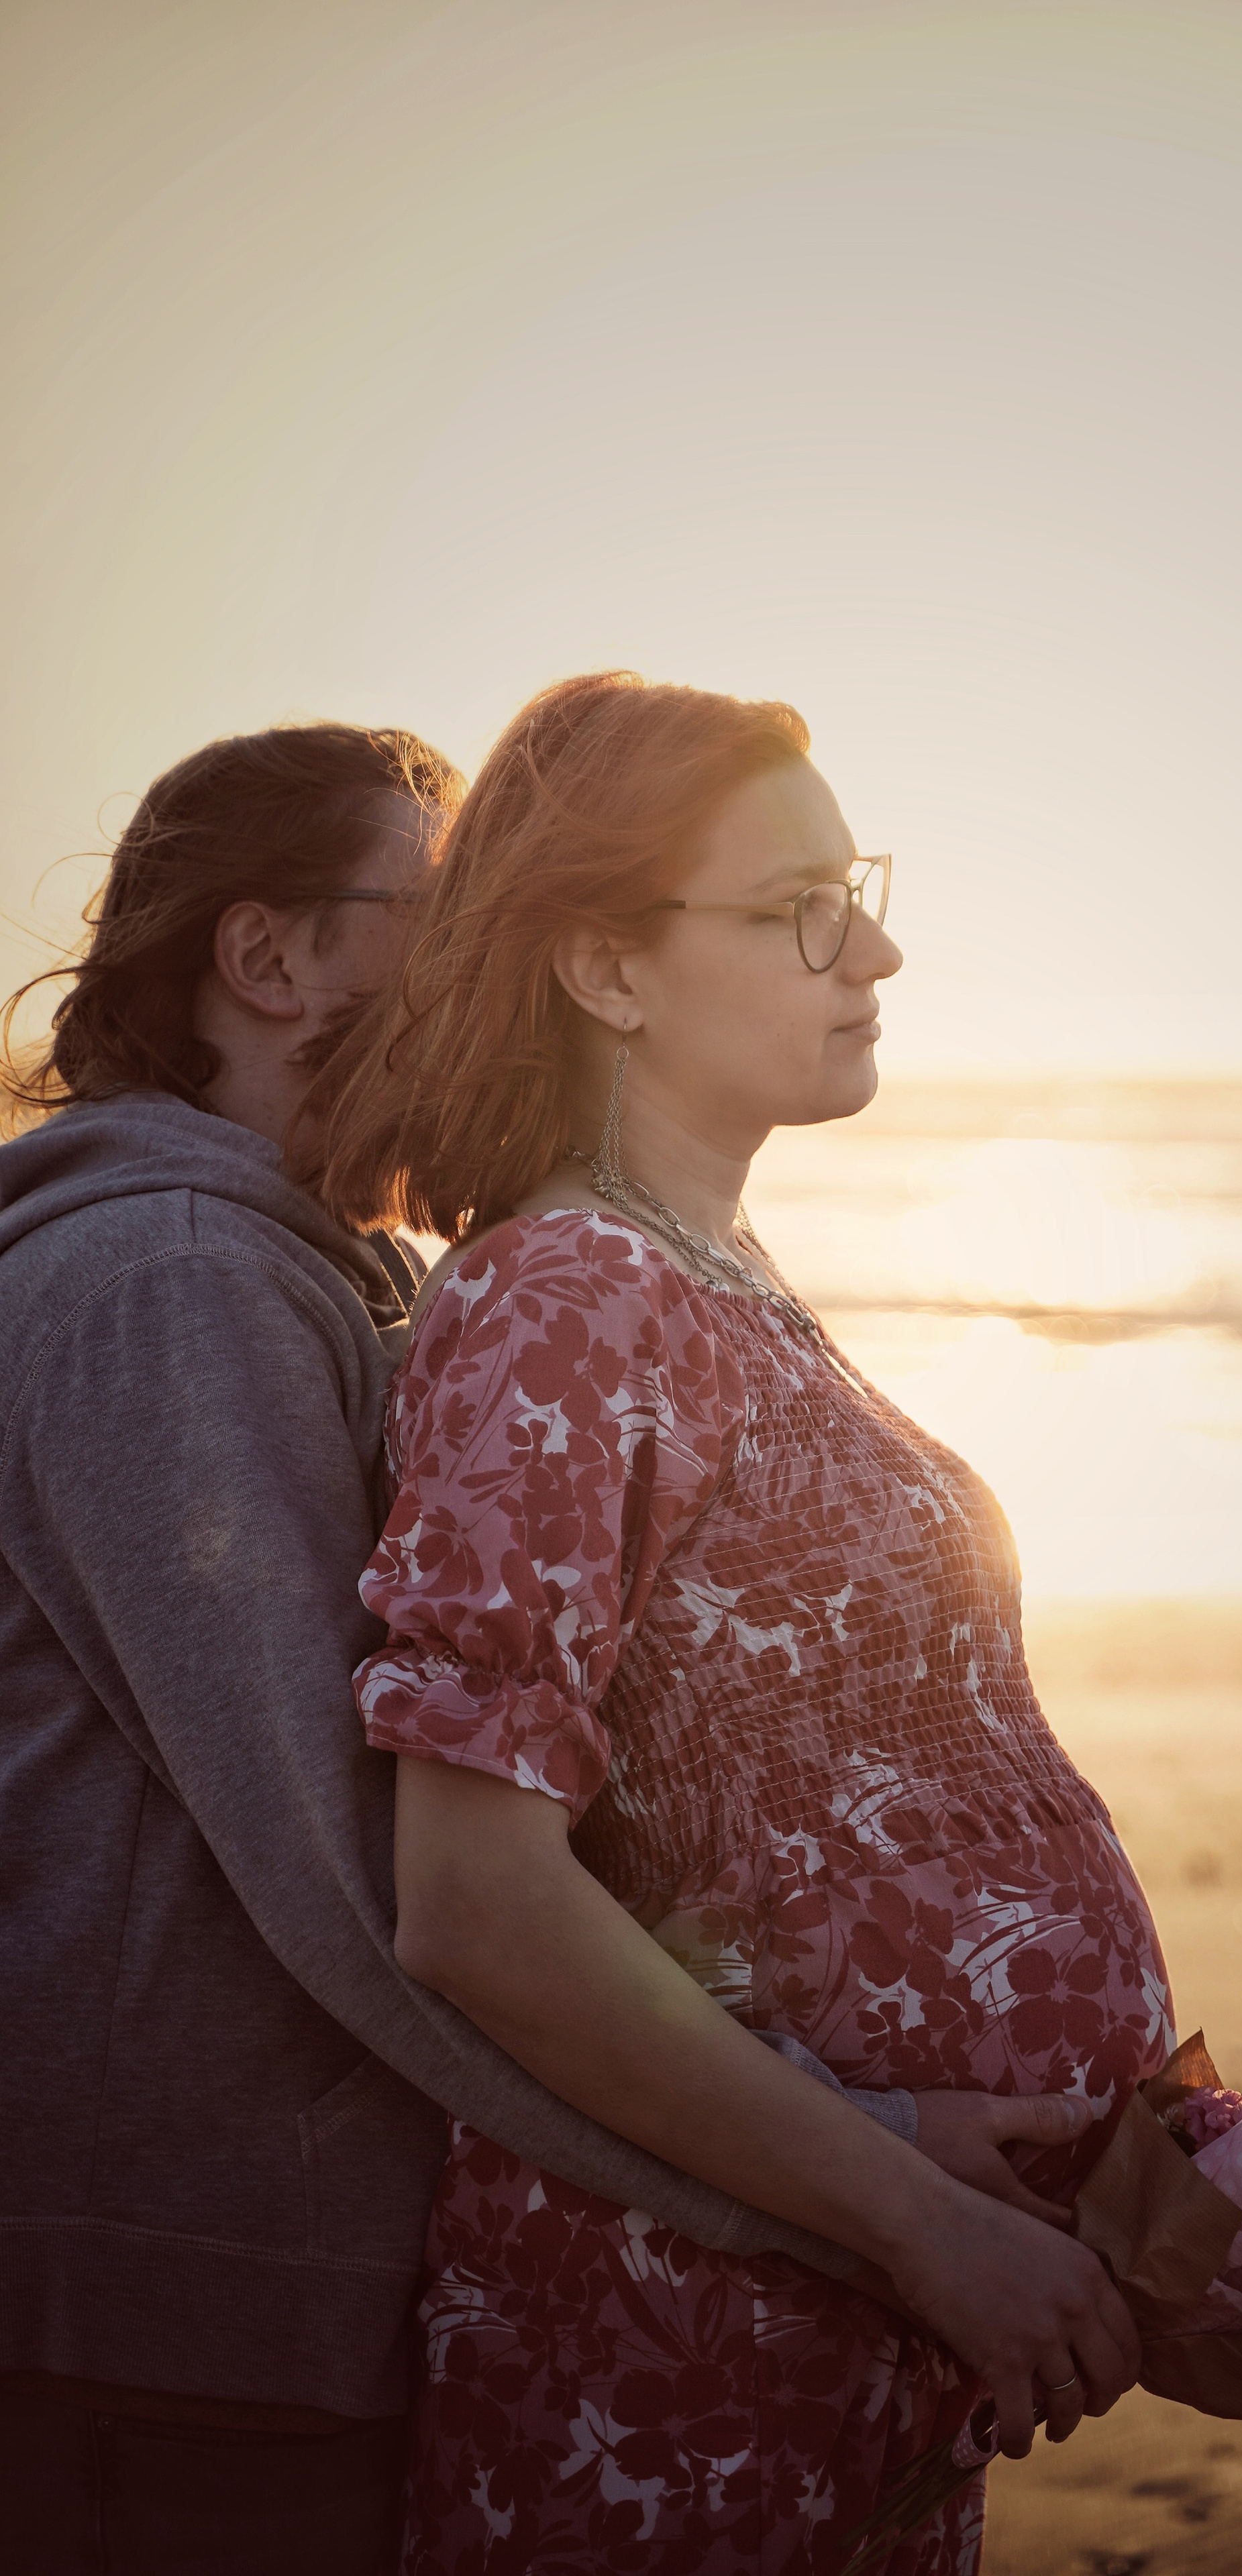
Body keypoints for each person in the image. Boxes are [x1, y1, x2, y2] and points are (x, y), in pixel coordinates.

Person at [0, 720, 1057, 2576]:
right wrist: (844, 2193)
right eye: (440, 907)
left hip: (264, 2296)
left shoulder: (316, 1275)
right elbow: (368, 1881)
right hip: (178, 2336)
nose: (487, 951)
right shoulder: (170, 1283)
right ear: (268, 961)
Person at [310, 671, 1177, 2574]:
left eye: (852, 883)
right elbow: (476, 1901)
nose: (875, 942)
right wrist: (904, 2211)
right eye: (798, 906)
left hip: (838, 2306)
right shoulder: (565, 1305)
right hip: (675, 2361)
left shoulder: (706, 1275)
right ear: (608, 971)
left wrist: (924, 2164)